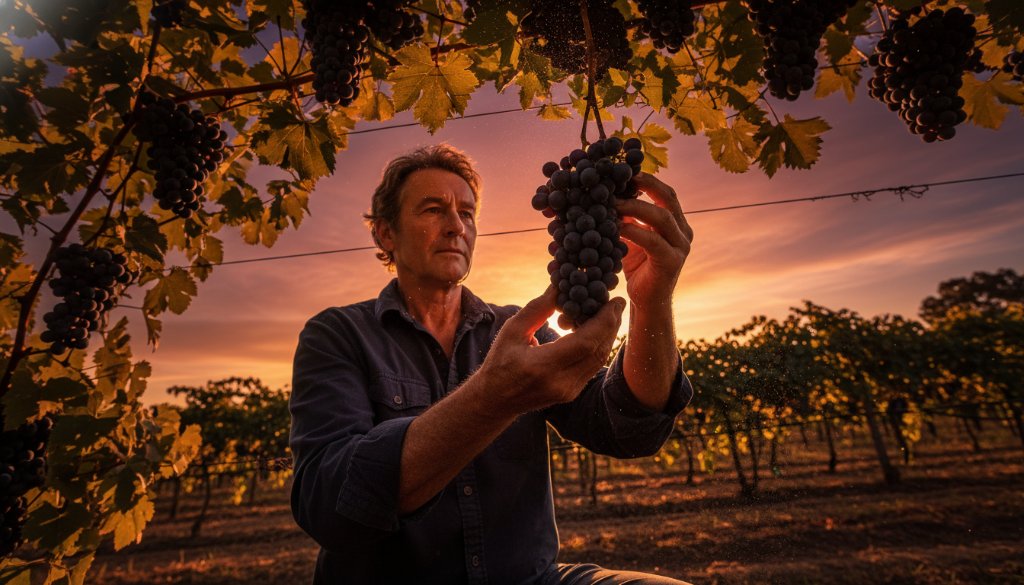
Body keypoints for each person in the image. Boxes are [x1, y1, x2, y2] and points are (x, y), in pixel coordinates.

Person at [289, 143, 695, 585]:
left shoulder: (517, 330)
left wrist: (650, 300)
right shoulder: (337, 335)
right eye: (432, 210)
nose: (455, 226)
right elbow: (330, 506)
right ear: (386, 234)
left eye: (467, 213)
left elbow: (625, 426)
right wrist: (493, 398)